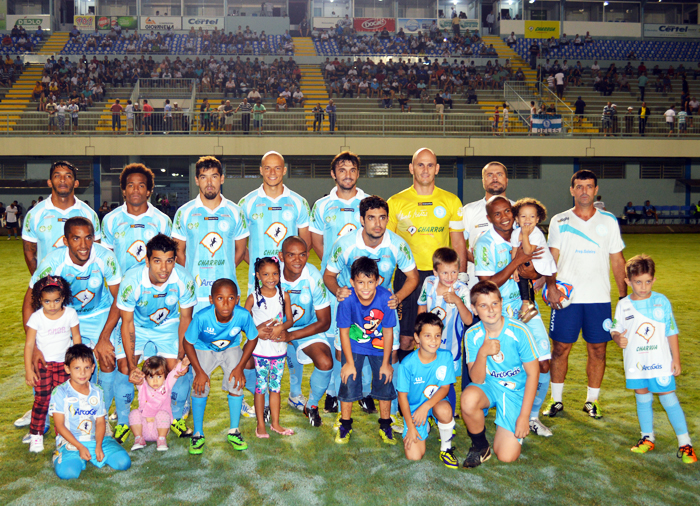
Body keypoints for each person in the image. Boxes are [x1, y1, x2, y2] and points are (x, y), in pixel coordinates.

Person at [325, 195, 418, 431]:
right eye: (372, 218)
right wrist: (338, 291)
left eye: (382, 218)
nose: (378, 223)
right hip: (352, 313)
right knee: (344, 359)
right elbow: (329, 275)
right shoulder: (345, 244)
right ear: (361, 220)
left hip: (383, 315)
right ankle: (341, 406)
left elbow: (413, 277)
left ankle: (391, 415)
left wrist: (398, 297)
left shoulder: (397, 244)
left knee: (389, 362)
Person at [544, 170, 626, 420]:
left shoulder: (609, 221)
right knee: (559, 349)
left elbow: (617, 260)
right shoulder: (560, 220)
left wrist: (624, 298)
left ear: (595, 189)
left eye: (588, 186)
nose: (583, 191)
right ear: (571, 190)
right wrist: (550, 286)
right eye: (579, 187)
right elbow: (552, 257)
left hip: (598, 299)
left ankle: (592, 401)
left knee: (598, 350)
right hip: (567, 299)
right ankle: (556, 400)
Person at [101, 164, 173, 436]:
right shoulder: (110, 220)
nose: (135, 190)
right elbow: (106, 261)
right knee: (124, 365)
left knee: (170, 363)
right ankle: (122, 418)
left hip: (157, 302)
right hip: (123, 300)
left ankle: (169, 412)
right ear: (123, 189)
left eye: (141, 185)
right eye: (130, 185)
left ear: (150, 190)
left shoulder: (162, 220)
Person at [474, 197, 553, 436]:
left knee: (543, 363)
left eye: (507, 211)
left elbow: (537, 267)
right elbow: (486, 284)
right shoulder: (484, 243)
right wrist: (516, 262)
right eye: (497, 214)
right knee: (509, 366)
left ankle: (532, 416)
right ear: (489, 218)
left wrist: (529, 269)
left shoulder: (524, 233)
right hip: (498, 313)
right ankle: (508, 412)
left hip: (526, 308)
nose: (504, 217)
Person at [610, 255, 696, 464]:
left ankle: (685, 443)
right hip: (636, 364)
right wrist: (617, 338)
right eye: (638, 282)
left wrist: (676, 359)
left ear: (654, 280)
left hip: (660, 361)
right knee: (642, 397)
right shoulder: (624, 305)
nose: (643, 286)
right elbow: (616, 328)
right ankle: (647, 437)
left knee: (668, 398)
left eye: (648, 281)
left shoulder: (661, 301)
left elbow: (671, 330)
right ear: (628, 282)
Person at [115, 234, 197, 441]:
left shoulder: (184, 279)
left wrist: (181, 353)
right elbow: (127, 323)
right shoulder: (131, 281)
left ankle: (176, 417)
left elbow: (186, 318)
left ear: (175, 260)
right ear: (147, 261)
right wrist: (133, 365)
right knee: (125, 368)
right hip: (138, 325)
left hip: (168, 325)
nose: (164, 268)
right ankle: (123, 420)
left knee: (178, 367)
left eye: (169, 261)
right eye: (157, 261)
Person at [460, 281, 540, 468]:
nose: (491, 310)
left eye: (495, 303)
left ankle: (509, 422)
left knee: (506, 456)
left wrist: (524, 416)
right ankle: (480, 446)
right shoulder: (472, 334)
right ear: (474, 308)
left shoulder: (519, 331)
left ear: (502, 303)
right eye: (483, 305)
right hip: (489, 386)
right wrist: (482, 352)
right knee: (468, 399)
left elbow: (533, 375)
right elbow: (477, 379)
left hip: (515, 391)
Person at [183, 278, 258, 455]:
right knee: (199, 386)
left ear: (237, 299)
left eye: (231, 298)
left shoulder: (242, 315)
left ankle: (234, 431)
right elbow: (187, 343)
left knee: (236, 382)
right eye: (220, 298)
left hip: (230, 347)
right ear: (211, 300)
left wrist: (239, 367)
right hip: (204, 348)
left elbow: (253, 338)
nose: (226, 303)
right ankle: (198, 433)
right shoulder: (202, 317)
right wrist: (200, 372)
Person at [335, 257, 398, 445]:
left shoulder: (386, 298)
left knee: (384, 379)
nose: (365, 287)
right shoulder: (346, 301)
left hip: (379, 345)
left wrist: (386, 363)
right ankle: (345, 424)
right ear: (352, 282)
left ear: (378, 281)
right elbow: (344, 333)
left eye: (370, 282)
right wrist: (348, 362)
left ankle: (385, 425)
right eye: (360, 282)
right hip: (354, 344)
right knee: (349, 379)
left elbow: (388, 332)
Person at [172, 156, 248, 311]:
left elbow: (240, 250)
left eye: (214, 177)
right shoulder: (184, 212)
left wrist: (226, 269)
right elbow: (178, 251)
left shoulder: (235, 211)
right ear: (196, 180)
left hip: (227, 292)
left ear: (222, 179)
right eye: (203, 177)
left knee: (227, 335)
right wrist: (191, 272)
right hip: (196, 293)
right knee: (195, 335)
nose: (209, 183)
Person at [49, 344, 131, 480]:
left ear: (93, 368)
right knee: (68, 473)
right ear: (67, 369)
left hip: (98, 439)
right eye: (77, 368)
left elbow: (100, 421)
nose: (82, 373)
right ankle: (60, 454)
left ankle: (98, 450)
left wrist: (98, 446)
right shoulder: (60, 392)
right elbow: (60, 425)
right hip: (72, 442)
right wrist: (80, 447)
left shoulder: (97, 391)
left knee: (124, 462)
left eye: (87, 368)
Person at [278, 237, 332, 427]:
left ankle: (311, 405)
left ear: (308, 255)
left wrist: (291, 336)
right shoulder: (270, 274)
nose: (297, 260)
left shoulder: (313, 276)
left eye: (302, 254)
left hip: (305, 327)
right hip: (275, 327)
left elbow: (325, 322)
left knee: (326, 362)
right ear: (281, 257)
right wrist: (278, 333)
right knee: (248, 363)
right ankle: (267, 403)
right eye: (291, 255)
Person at [24, 275, 81, 452]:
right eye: (47, 301)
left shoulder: (70, 314)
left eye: (56, 300)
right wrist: (28, 370)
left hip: (64, 366)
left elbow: (76, 338)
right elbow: (29, 344)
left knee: (62, 401)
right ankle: (36, 435)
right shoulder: (36, 318)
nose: (52, 305)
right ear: (40, 300)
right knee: (41, 400)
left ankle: (62, 436)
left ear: (63, 297)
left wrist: (77, 363)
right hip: (43, 366)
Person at [416, 247, 472, 415]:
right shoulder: (429, 283)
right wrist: (418, 333)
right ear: (435, 271)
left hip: (451, 347)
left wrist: (457, 301)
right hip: (428, 343)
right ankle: (428, 413)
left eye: (454, 272)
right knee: (427, 378)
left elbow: (468, 320)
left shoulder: (462, 290)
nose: (450, 277)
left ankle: (449, 417)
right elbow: (422, 307)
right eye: (445, 273)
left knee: (447, 382)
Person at [398, 312, 458, 468]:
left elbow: (445, 388)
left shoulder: (446, 357)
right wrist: (411, 427)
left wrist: (426, 406)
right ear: (417, 338)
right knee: (414, 456)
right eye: (428, 336)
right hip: (414, 409)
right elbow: (402, 398)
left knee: (445, 410)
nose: (434, 341)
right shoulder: (406, 364)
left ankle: (446, 448)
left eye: (437, 336)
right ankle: (426, 425)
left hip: (434, 402)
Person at [246, 257, 295, 438]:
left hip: (279, 350)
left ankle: (275, 423)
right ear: (258, 275)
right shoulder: (253, 297)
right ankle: (260, 424)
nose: (271, 278)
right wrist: (257, 331)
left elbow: (289, 320)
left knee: (275, 387)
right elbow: (244, 320)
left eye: (275, 273)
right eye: (265, 274)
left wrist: (281, 328)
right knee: (261, 387)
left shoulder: (284, 295)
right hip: (260, 351)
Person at [129, 355, 190, 452]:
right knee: (134, 413)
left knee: (163, 415)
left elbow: (174, 372)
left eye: (159, 376)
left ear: (165, 375)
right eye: (151, 377)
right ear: (145, 376)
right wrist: (133, 371)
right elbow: (135, 376)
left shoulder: (167, 384)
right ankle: (138, 439)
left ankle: (161, 440)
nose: (155, 381)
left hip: (160, 428)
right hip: (143, 429)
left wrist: (182, 364)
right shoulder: (142, 385)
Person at [509, 198, 557, 319]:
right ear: (517, 219)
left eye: (531, 216)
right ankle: (529, 304)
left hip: (542, 263)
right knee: (520, 273)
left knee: (523, 273)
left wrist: (525, 234)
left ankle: (527, 304)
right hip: (530, 261)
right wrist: (513, 269)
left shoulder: (536, 233)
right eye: (523, 216)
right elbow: (514, 251)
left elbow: (528, 251)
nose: (527, 220)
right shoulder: (515, 233)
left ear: (537, 219)